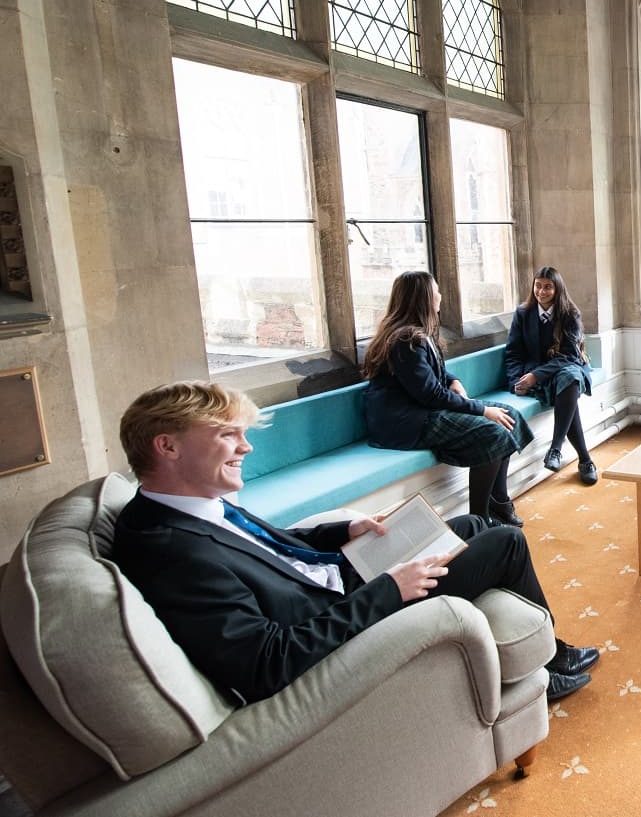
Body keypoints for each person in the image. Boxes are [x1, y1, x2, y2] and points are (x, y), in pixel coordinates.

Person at [110, 381, 598, 706]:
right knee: (507, 541)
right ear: (167, 446)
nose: (246, 447)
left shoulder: (190, 501)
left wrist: (346, 530)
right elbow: (265, 662)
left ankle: (545, 651)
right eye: (227, 435)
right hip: (349, 610)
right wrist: (390, 588)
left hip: (340, 574)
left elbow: (270, 546)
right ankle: (546, 663)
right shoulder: (170, 551)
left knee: (470, 525)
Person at [363, 271, 530, 528]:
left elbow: (431, 375)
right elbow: (430, 394)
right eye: (436, 291)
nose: (440, 296)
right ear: (423, 298)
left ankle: (498, 501)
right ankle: (479, 520)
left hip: (423, 410)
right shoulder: (405, 339)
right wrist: (483, 410)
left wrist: (453, 379)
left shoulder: (420, 334)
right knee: (493, 432)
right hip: (406, 422)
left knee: (509, 416)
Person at [506, 266, 598, 485]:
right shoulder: (523, 313)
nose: (542, 291)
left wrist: (536, 376)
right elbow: (512, 352)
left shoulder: (570, 314)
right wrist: (515, 381)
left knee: (571, 378)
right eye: (538, 286)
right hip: (537, 370)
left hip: (568, 364)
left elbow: (568, 355)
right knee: (568, 390)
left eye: (548, 287)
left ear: (557, 289)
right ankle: (585, 460)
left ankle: (555, 448)